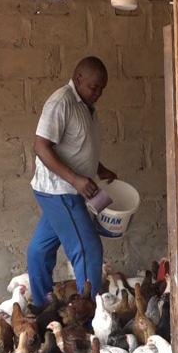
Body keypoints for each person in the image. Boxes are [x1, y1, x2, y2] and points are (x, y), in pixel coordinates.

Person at [26, 56, 116, 306]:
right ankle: (86, 318)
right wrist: (75, 180)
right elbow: (41, 147)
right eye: (93, 87)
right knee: (88, 250)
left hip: (67, 188)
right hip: (60, 190)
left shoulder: (86, 105)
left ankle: (42, 306)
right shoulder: (61, 102)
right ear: (78, 78)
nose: (98, 93)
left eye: (102, 89)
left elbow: (78, 146)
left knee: (40, 249)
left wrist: (99, 168)